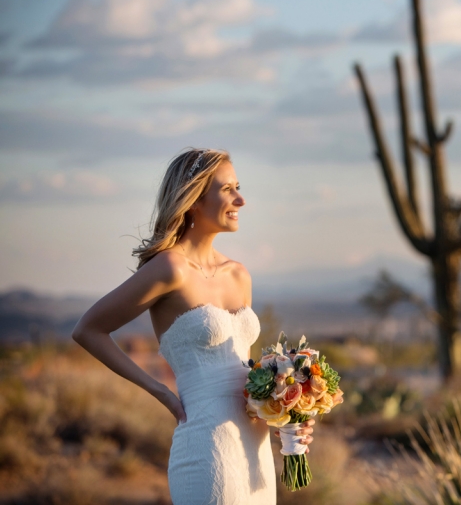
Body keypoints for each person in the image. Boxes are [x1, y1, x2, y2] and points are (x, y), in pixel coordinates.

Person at [71, 148, 314, 504]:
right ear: (195, 198)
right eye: (227, 189)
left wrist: (286, 413)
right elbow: (88, 330)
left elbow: (245, 375)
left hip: (255, 451)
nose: (241, 199)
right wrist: (162, 393)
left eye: (238, 187)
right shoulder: (170, 268)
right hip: (206, 444)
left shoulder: (239, 274)